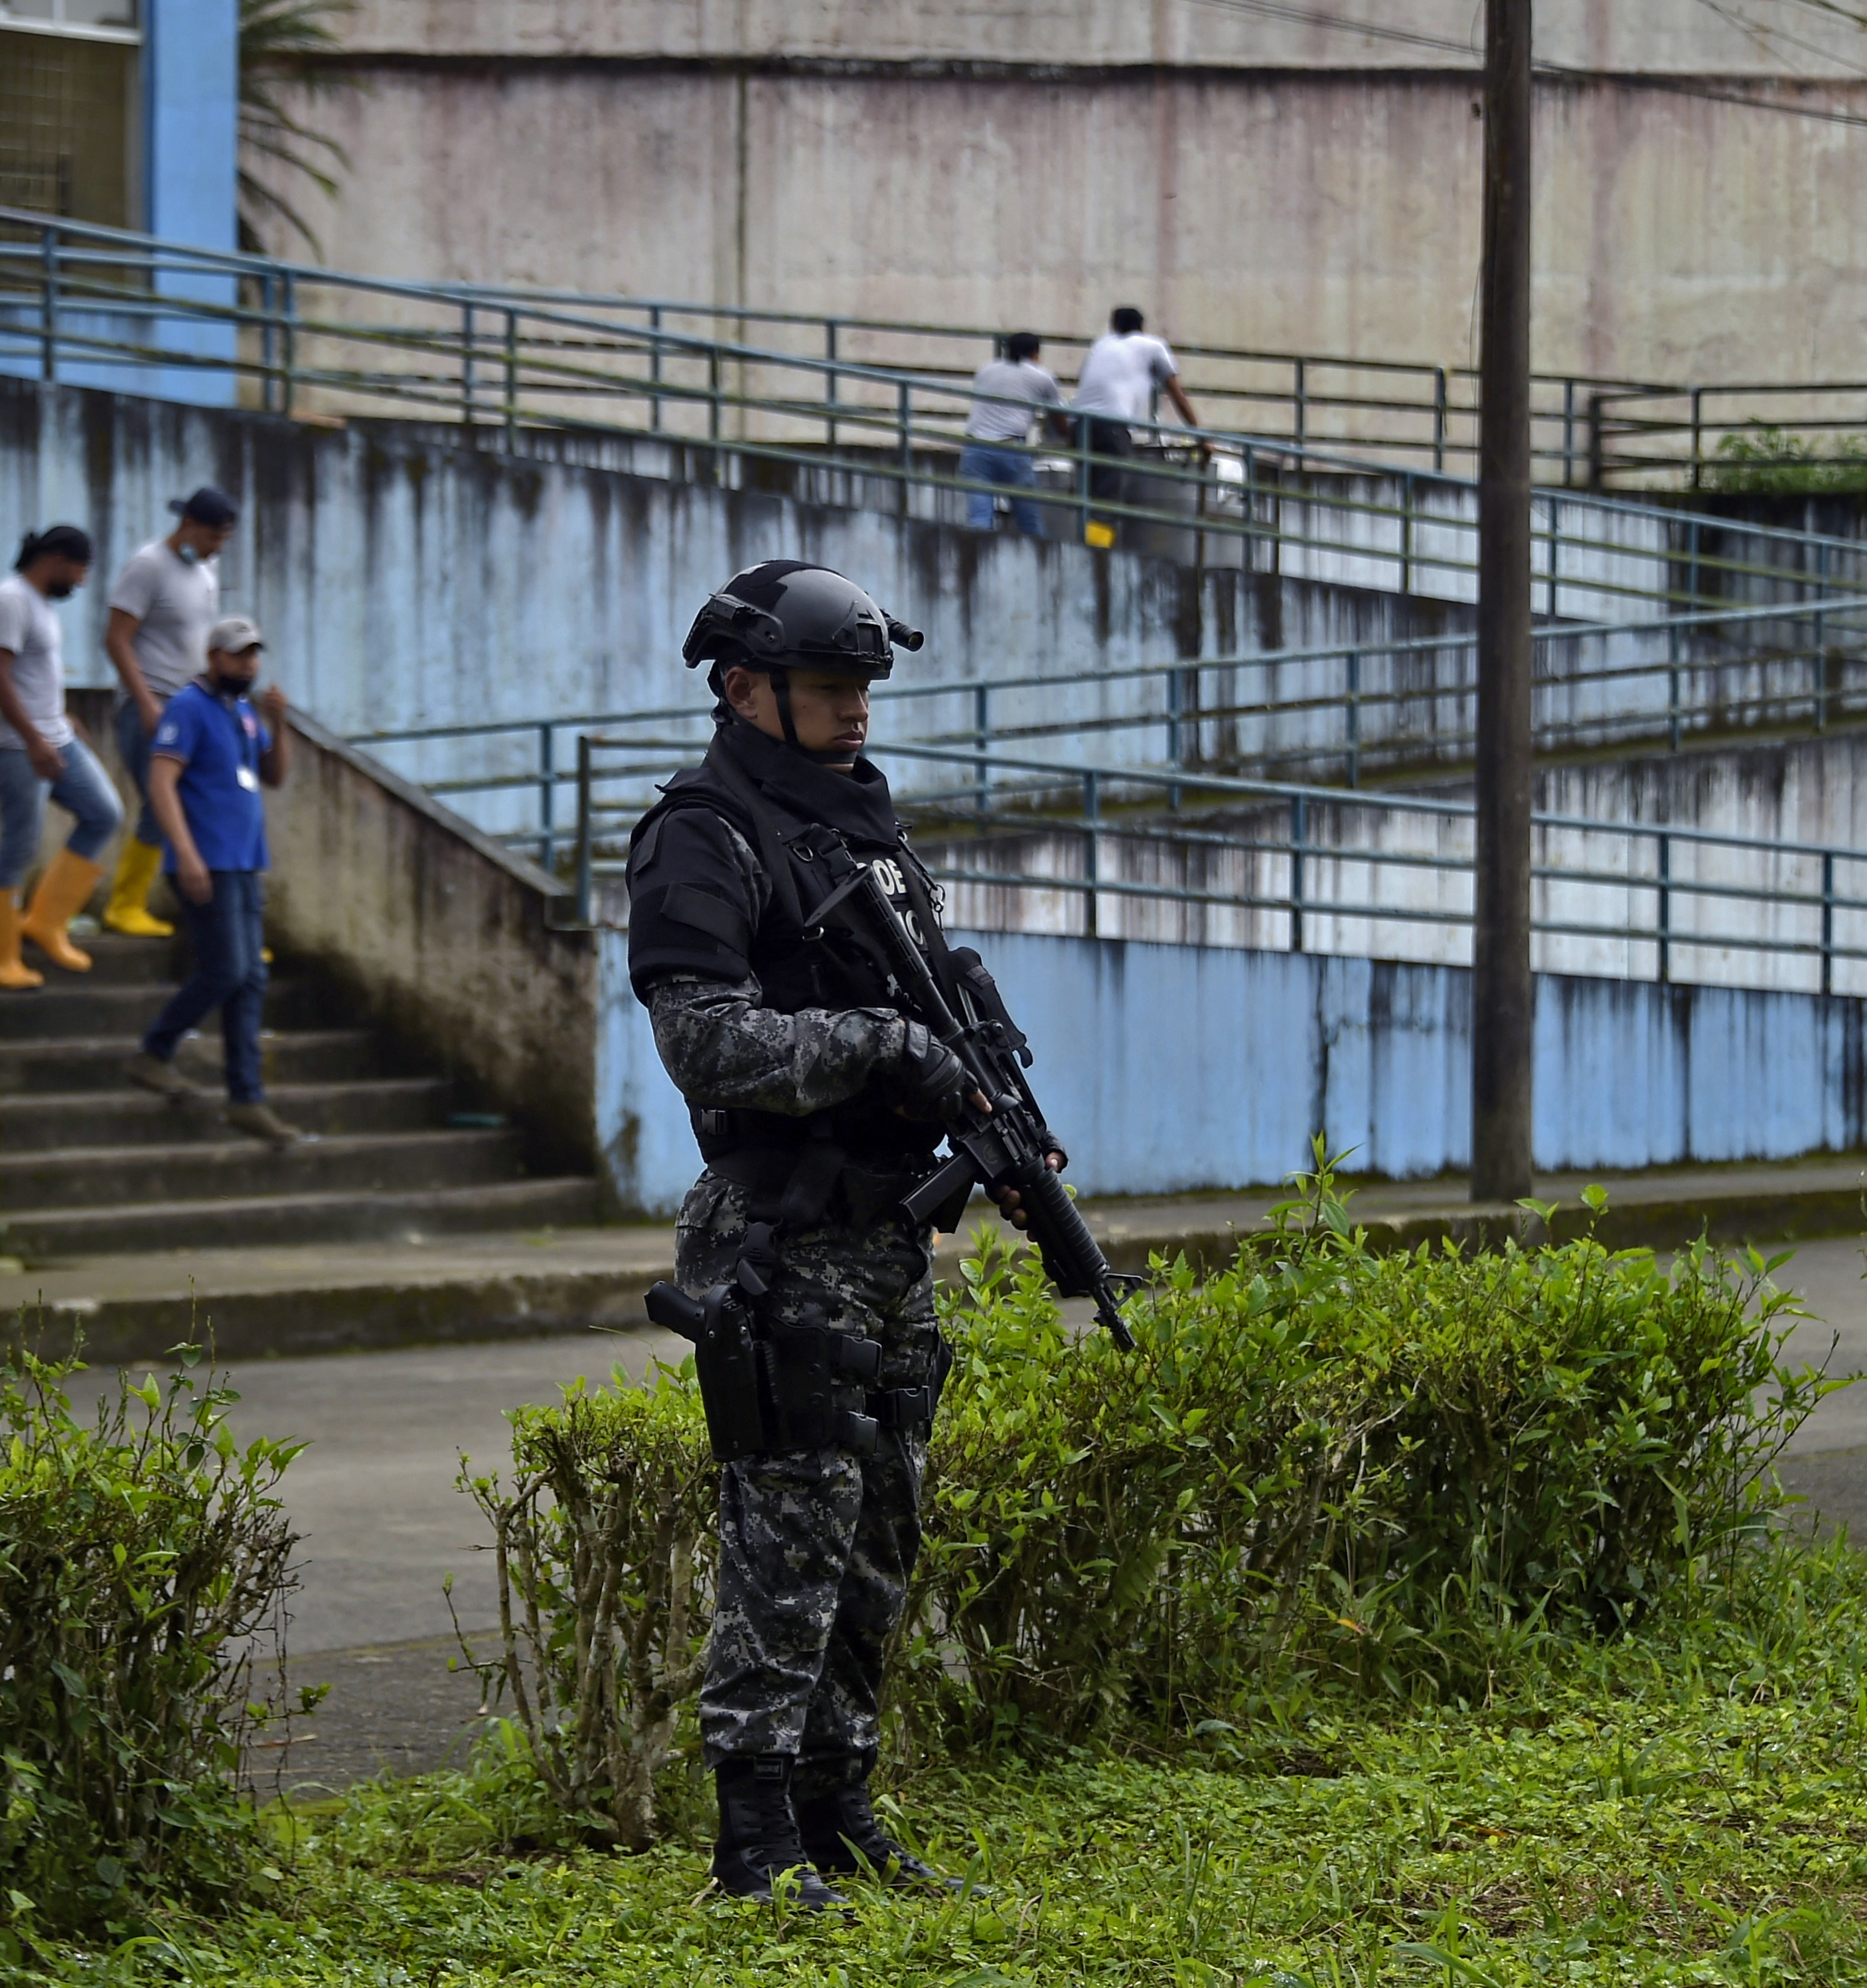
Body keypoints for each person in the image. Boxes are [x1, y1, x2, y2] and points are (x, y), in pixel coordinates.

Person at [625, 559, 1071, 1908]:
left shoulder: (860, 830)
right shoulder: (702, 830)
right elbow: (701, 1036)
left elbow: (945, 994)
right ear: (741, 684)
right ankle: (749, 1839)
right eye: (828, 686)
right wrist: (886, 1046)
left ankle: (838, 1807)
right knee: (787, 1537)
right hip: (778, 1236)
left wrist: (998, 1116)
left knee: (883, 1529)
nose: (854, 710)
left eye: (863, 687)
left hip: (884, 1238)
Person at [121, 616, 302, 1146]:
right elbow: (161, 780)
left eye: (253, 655)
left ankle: (247, 1099)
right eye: (237, 655)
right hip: (208, 862)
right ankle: (155, 1050)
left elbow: (274, 775)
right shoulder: (188, 707)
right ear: (213, 657)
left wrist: (280, 724)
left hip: (245, 861)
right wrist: (186, 851)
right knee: (226, 969)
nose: (248, 664)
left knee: (250, 979)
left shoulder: (243, 712)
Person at [101, 485, 240, 938]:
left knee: (200, 805)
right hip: (153, 702)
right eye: (212, 538)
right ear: (189, 526)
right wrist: (144, 703)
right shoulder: (148, 566)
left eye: (223, 540)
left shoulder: (205, 570)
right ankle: (125, 904)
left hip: (193, 703)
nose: (216, 548)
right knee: (163, 805)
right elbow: (116, 638)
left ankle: (218, 922)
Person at [0, 525, 119, 990]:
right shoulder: (10, 599)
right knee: (21, 844)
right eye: (79, 570)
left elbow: (33, 674)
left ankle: (45, 922)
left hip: (55, 734)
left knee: (104, 813)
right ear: (57, 559)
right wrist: (32, 738)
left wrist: (60, 718)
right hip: (19, 745)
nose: (81, 582)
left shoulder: (38, 604)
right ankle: (2, 955)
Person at [1068, 306, 1203, 526]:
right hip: (1111, 427)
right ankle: (1098, 553)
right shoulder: (1153, 345)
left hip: (1078, 426)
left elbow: (1085, 382)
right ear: (1142, 327)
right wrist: (1201, 436)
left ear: (1113, 325)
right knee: (1107, 501)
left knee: (1087, 496)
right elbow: (1177, 395)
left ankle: (1086, 545)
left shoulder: (1101, 344)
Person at [960, 332, 1065, 537]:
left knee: (979, 519)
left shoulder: (985, 371)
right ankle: (1038, 565)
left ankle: (976, 564)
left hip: (976, 447)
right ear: (1036, 353)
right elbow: (1059, 418)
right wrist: (1072, 438)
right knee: (1029, 522)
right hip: (1012, 448)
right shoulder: (1043, 376)